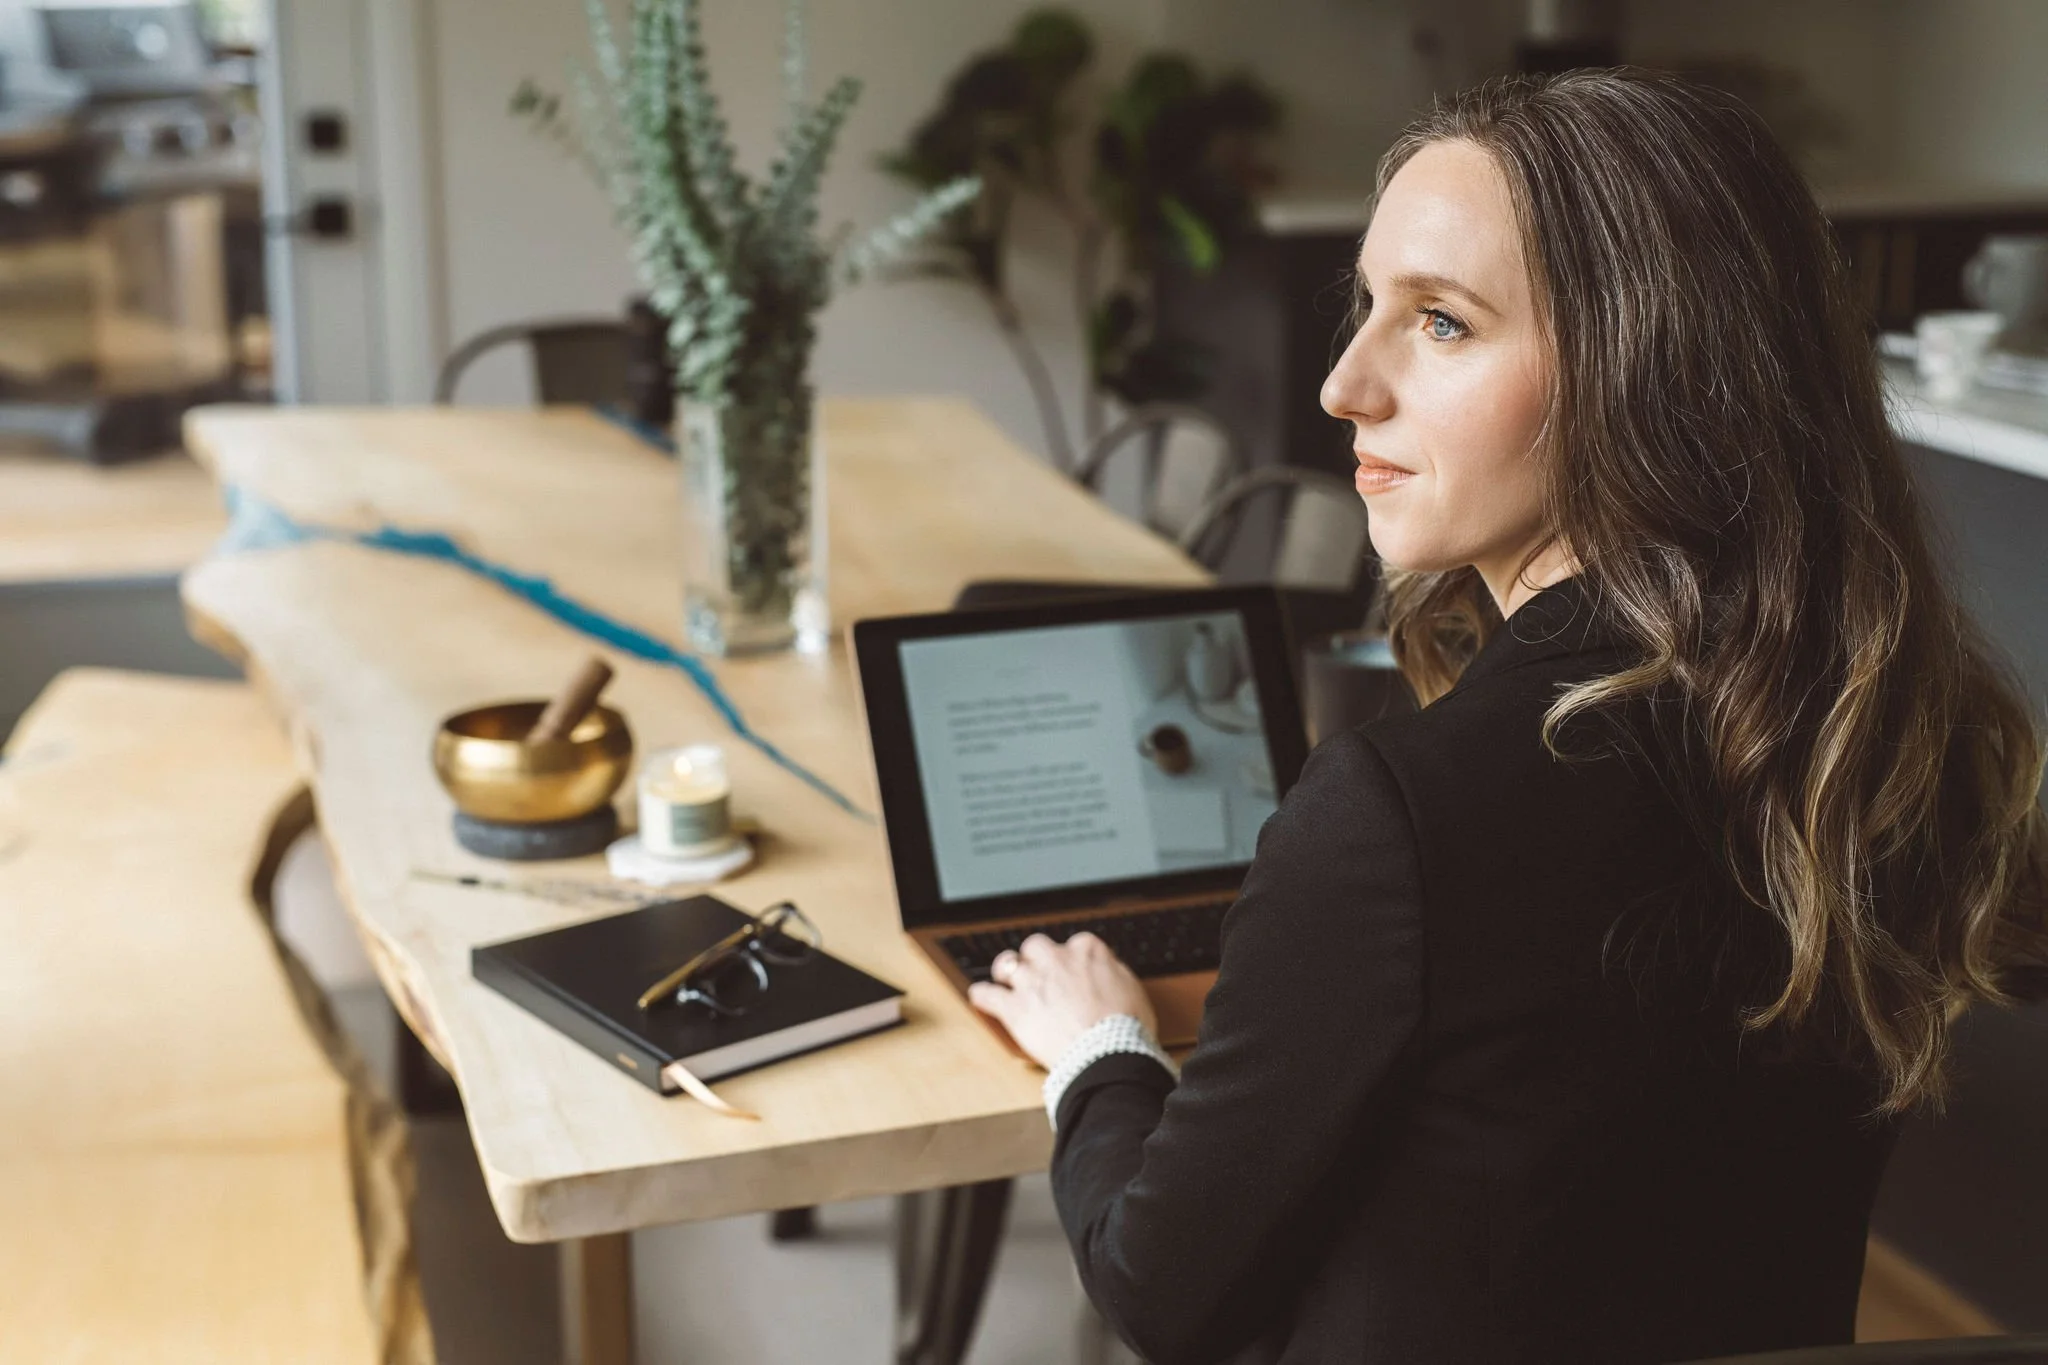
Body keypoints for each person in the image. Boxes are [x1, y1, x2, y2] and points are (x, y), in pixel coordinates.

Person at [966, 68, 2048, 1365]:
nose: (1344, 386)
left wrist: (1102, 1051)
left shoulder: (1397, 817)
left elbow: (1158, 1290)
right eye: (1368, 307)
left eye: (1443, 324)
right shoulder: (1902, 737)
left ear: (1649, 370)